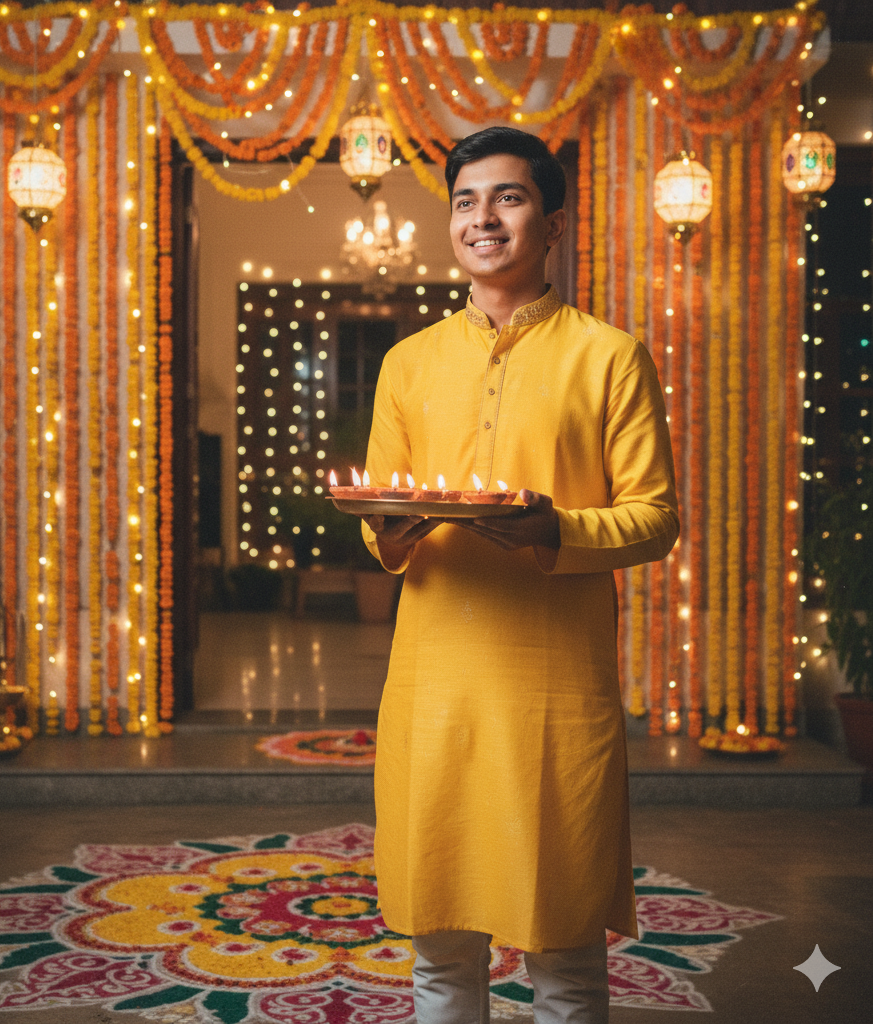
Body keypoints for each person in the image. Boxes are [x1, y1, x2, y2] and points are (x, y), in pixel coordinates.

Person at [358, 126, 680, 1024]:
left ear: (553, 221)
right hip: (433, 689)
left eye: (509, 197)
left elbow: (656, 517)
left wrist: (556, 528)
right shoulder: (408, 363)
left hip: (555, 694)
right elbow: (382, 526)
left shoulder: (609, 356)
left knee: (565, 950)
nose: (483, 218)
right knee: (440, 947)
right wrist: (389, 532)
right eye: (466, 201)